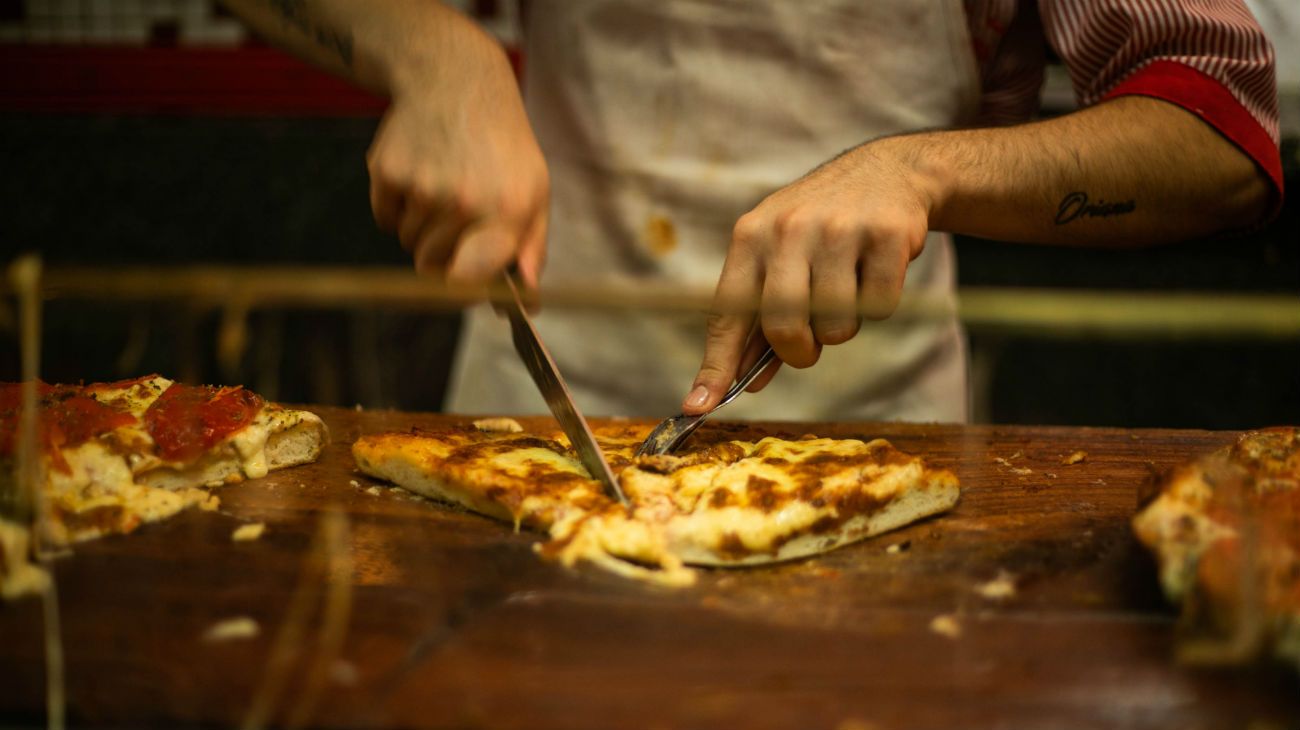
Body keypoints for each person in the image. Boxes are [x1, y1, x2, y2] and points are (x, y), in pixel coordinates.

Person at [221, 0, 1281, 422]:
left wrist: (917, 174)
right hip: (533, 423)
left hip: (875, 447)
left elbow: (1220, 132)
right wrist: (435, 55)